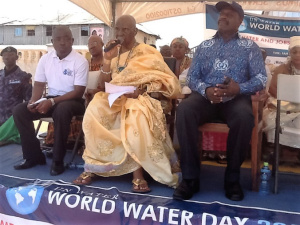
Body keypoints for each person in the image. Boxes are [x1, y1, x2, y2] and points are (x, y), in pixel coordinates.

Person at [73, 15, 181, 193]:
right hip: (117, 97)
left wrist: (141, 91)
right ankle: (94, 166)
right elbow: (104, 84)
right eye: (117, 29)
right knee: (94, 109)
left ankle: (137, 173)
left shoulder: (147, 51)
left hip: (143, 97)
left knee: (135, 112)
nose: (120, 33)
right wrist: (107, 59)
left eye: (125, 29)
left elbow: (162, 79)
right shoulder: (113, 54)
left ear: (135, 31)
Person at [173, 1, 267, 201]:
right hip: (206, 99)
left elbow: (260, 78)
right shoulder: (204, 46)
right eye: (221, 14)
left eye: (229, 14)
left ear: (240, 21)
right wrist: (205, 90)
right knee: (185, 111)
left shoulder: (249, 47)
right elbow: (192, 77)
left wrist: (239, 88)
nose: (223, 17)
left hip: (235, 99)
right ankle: (190, 179)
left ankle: (232, 179)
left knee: (244, 117)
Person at [13, 25, 89, 176]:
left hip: (74, 101)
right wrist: (32, 102)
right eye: (58, 39)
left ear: (72, 41)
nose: (62, 42)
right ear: (52, 41)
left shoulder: (80, 61)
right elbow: (39, 84)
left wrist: (53, 102)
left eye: (66, 39)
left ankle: (58, 160)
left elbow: (78, 91)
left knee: (62, 110)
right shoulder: (45, 59)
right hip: (51, 99)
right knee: (20, 111)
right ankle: (33, 156)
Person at [44, 35, 104, 147]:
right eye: (89, 44)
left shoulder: (107, 64)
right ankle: (57, 140)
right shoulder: (84, 63)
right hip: (79, 94)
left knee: (70, 104)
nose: (92, 46)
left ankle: (75, 140)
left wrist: (94, 91)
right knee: (62, 101)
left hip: (96, 97)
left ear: (102, 45)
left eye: (95, 43)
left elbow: (107, 84)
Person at [263, 36, 300, 149]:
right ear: (290, 53)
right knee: (273, 117)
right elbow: (272, 90)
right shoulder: (281, 69)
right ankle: (276, 148)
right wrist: (291, 100)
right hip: (282, 105)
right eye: (295, 52)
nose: (298, 55)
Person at [0, 46, 32, 146]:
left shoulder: (24, 77)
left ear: (17, 57)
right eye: (4, 55)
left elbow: (29, 100)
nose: (7, 57)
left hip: (12, 120)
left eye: (10, 55)